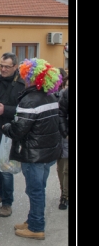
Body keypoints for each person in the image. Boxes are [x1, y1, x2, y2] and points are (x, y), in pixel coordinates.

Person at [2, 58, 63, 240]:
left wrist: (6, 127)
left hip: (34, 154)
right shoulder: (50, 96)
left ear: (32, 77)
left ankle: (36, 227)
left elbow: (19, 130)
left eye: (26, 75)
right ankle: (32, 220)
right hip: (48, 153)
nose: (23, 78)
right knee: (38, 189)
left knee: (35, 192)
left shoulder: (29, 100)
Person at [0, 52, 26, 217]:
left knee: (6, 170)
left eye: (6, 66)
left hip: (10, 132)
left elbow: (24, 110)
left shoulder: (22, 85)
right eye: (1, 66)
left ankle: (7, 202)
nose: (2, 69)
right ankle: (1, 193)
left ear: (15, 67)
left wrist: (5, 110)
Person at [57, 77, 69, 210]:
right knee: (63, 169)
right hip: (65, 136)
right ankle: (64, 195)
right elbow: (61, 114)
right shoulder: (65, 94)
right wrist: (65, 132)